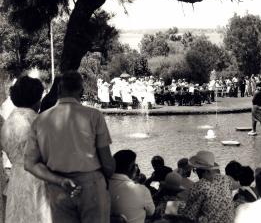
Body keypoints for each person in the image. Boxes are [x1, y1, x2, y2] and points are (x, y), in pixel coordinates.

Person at [24, 71, 115, 223]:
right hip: (91, 185)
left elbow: (29, 164)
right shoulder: (94, 116)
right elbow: (107, 161)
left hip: (58, 187)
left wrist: (58, 180)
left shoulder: (40, 120)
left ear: (59, 90)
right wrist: (108, 176)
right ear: (81, 90)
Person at [0, 76, 50, 223]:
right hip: (38, 180)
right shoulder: (39, 121)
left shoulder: (6, 123)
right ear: (36, 98)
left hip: (15, 179)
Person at [180, 150, 235, 223]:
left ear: (202, 171)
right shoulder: (226, 180)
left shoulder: (199, 186)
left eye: (195, 170)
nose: (195, 173)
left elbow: (189, 216)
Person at [109, 150, 154, 223]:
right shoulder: (141, 190)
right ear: (130, 167)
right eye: (135, 165)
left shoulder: (102, 186)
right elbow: (151, 212)